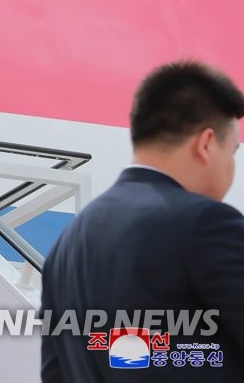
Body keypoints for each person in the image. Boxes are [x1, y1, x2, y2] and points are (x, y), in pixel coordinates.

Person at [40, 60, 244, 381]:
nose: (232, 168)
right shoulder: (205, 223)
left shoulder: (67, 245)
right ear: (205, 144)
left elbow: (55, 373)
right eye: (232, 152)